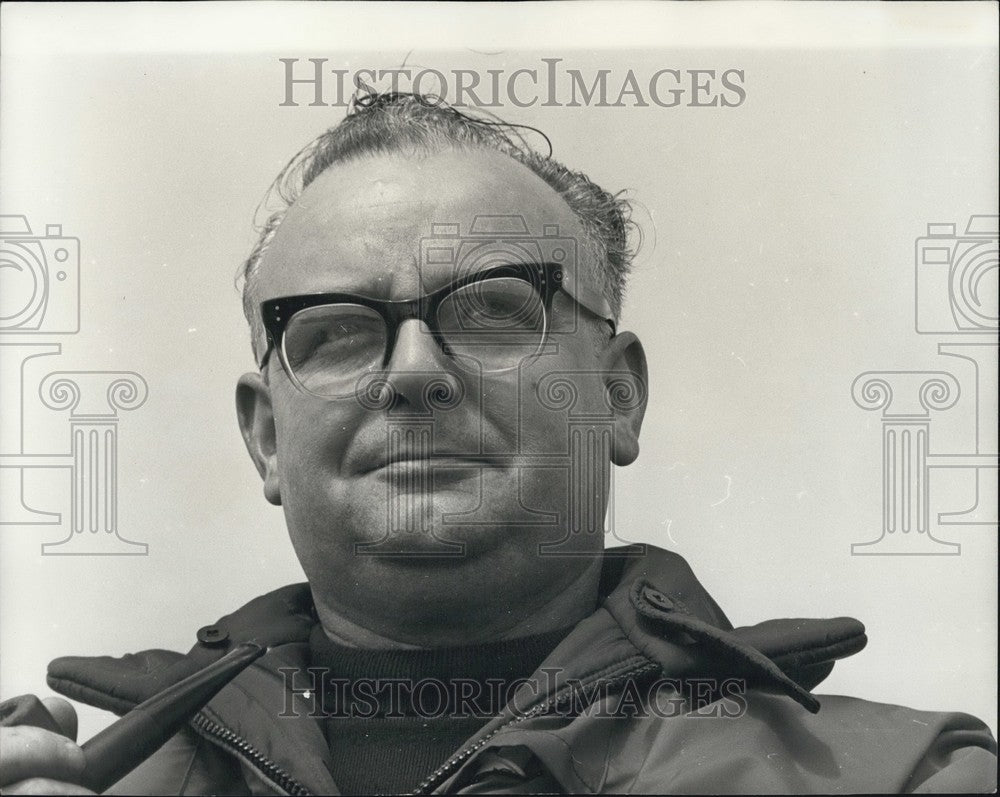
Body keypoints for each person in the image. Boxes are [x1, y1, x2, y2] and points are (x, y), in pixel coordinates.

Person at [1, 93, 995, 795]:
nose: (414, 371)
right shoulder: (89, 783)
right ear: (266, 435)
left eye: (489, 309)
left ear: (615, 396)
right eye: (337, 330)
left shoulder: (909, 778)